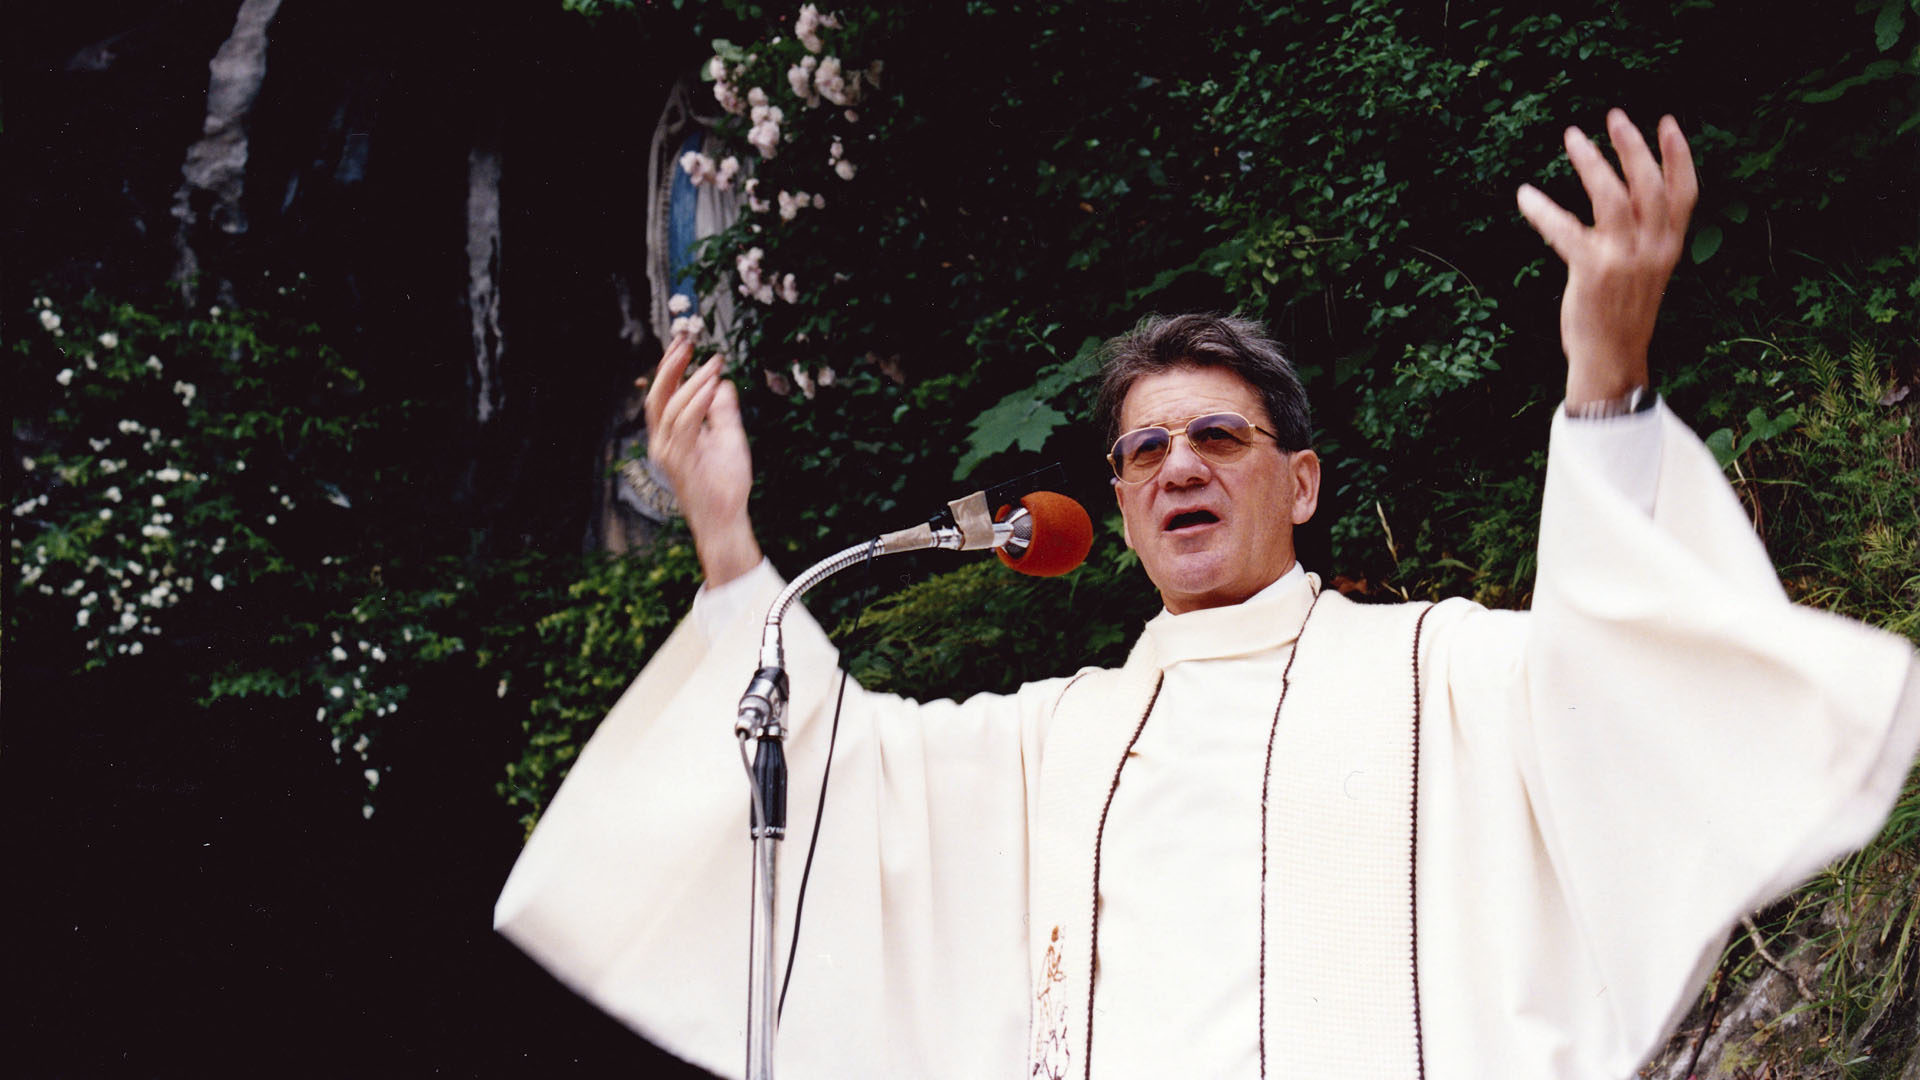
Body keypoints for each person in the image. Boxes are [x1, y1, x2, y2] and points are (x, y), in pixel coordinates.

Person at [494, 111, 1920, 1079]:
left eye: (1218, 436)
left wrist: (1605, 378)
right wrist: (732, 545)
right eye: (1144, 448)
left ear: (1297, 483)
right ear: (1117, 506)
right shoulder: (1053, 740)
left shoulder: (1442, 670)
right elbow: (828, 786)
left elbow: (1635, 685)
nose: (1178, 465)